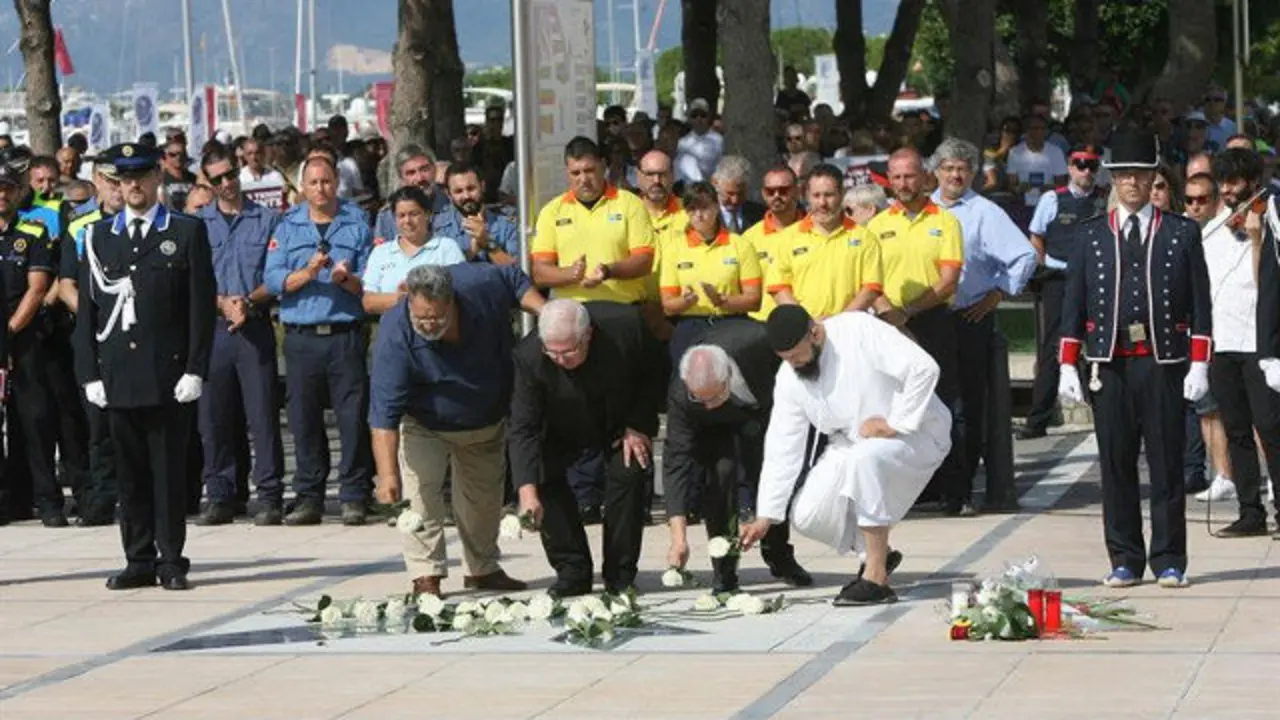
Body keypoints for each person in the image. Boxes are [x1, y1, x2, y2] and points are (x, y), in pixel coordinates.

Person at [1057, 131, 1212, 588]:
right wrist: (1068, 362)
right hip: (1110, 364)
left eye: (1140, 176)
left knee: (1166, 463)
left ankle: (1168, 559)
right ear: (1113, 181)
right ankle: (1124, 557)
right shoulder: (1090, 236)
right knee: (1117, 464)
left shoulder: (1181, 233)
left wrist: (1200, 362)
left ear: (1153, 180)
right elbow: (1073, 305)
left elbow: (1201, 304)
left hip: (1162, 363)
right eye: (1123, 176)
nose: (1131, 184)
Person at [73, 143, 216, 591]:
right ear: (116, 184)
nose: (133, 186)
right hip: (119, 376)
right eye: (124, 179)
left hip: (168, 376)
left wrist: (196, 367)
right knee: (129, 475)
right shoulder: (99, 237)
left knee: (168, 474)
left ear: (157, 179)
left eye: (142, 177)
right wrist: (90, 374)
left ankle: (171, 558)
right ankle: (137, 558)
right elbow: (88, 315)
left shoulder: (185, 231)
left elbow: (198, 308)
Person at [740, 305, 952, 605]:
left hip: (916, 432)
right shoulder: (789, 377)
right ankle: (878, 552)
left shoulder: (858, 329)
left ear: (814, 332)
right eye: (785, 359)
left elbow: (923, 368)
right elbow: (783, 445)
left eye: (795, 356)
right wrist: (766, 516)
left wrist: (896, 422)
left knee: (865, 459)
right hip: (849, 443)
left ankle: (876, 578)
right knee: (807, 515)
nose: (793, 364)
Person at [371, 263, 544, 597]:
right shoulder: (396, 331)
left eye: (436, 317)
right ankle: (426, 576)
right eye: (421, 317)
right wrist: (387, 474)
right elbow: (383, 415)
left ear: (451, 302)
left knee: (483, 502)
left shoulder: (481, 286)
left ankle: (483, 569)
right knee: (422, 497)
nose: (428, 324)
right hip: (425, 423)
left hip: (484, 418)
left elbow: (513, 277)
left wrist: (543, 311)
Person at [509, 299, 658, 597]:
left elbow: (653, 377)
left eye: (569, 351)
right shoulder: (529, 356)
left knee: (629, 470)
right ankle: (572, 571)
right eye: (553, 352)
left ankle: (620, 575)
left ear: (587, 334)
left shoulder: (627, 327)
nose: (560, 359)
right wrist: (526, 492)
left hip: (618, 419)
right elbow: (523, 427)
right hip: (560, 425)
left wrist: (637, 426)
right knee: (540, 477)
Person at [263, 155, 374, 526]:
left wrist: (348, 279)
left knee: (352, 418)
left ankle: (355, 494)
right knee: (303, 418)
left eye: (327, 182)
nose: (321, 189)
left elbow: (370, 280)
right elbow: (275, 280)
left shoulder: (356, 223)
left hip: (344, 334)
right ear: (303, 188)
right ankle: (309, 496)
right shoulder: (288, 226)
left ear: (336, 183)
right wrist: (307, 273)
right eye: (313, 183)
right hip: (302, 337)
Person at [930, 138, 1037, 513]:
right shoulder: (922, 210)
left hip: (967, 318)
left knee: (966, 406)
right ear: (936, 171)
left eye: (962, 169)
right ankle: (933, 485)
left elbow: (1024, 255)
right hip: (924, 318)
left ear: (973, 173)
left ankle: (958, 489)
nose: (955, 175)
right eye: (948, 168)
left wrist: (998, 293)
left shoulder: (984, 212)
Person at [664, 330, 812, 592]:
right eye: (700, 398)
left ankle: (780, 556)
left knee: (770, 475)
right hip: (713, 429)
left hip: (763, 408)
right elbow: (677, 462)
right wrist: (679, 539)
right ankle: (724, 571)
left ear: (727, 377)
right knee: (719, 477)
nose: (708, 404)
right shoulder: (682, 393)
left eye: (713, 396)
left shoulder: (758, 344)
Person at [868, 148, 966, 513]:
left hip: (933, 320)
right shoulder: (877, 226)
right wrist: (890, 316)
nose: (903, 184)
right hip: (889, 325)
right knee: (895, 408)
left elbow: (948, 281)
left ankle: (956, 491)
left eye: (909, 176)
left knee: (946, 405)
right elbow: (869, 281)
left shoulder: (945, 221)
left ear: (925, 177)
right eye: (896, 177)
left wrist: (908, 311)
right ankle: (909, 491)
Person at [193, 146, 285, 526]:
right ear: (207, 183)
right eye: (217, 179)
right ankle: (220, 493)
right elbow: (192, 279)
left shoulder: (267, 221)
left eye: (230, 174)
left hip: (254, 325)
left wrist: (247, 301)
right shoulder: (197, 224)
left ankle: (269, 494)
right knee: (213, 417)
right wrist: (221, 303)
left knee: (261, 415)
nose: (227, 183)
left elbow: (277, 274)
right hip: (214, 329)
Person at [1190, 168, 1279, 537]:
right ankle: (1250, 511)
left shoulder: (1269, 219)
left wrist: (1258, 239)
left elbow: (1267, 283)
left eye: (1235, 184)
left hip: (1258, 345)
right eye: (1223, 186)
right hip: (1222, 343)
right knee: (1236, 429)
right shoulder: (1211, 233)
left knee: (1271, 428)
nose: (1229, 193)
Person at [1021, 144, 1109, 440]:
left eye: (1091, 166)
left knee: (1099, 345)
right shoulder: (1052, 198)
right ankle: (1038, 420)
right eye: (1080, 164)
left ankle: (1106, 415)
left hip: (1094, 279)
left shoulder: (1104, 199)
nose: (1086, 171)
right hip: (1058, 278)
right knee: (1052, 348)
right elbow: (1037, 236)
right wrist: (1041, 268)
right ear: (1069, 168)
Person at [57, 149, 124, 527]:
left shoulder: (148, 223)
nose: (118, 189)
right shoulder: (79, 228)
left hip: (135, 337)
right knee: (96, 425)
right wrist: (95, 319)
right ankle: (101, 498)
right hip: (94, 335)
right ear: (97, 181)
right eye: (111, 181)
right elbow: (65, 284)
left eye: (123, 181)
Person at [0, 164, 55, 524]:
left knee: (34, 421)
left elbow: (37, 289)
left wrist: (7, 333)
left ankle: (48, 501)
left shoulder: (33, 231)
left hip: (24, 338)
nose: (1, 195)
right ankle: (9, 500)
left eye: (7, 188)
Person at [658, 182, 762, 364]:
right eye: (692, 209)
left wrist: (723, 301)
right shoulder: (674, 249)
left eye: (704, 207)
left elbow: (754, 300)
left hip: (731, 323)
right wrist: (686, 301)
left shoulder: (740, 245)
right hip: (690, 325)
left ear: (716, 207)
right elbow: (667, 305)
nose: (699, 215)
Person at [767, 163, 881, 320]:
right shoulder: (787, 238)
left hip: (850, 328)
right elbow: (779, 288)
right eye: (816, 195)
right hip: (805, 332)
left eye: (829, 195)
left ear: (842, 194)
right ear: (806, 196)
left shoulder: (865, 238)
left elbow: (871, 288)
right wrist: (807, 322)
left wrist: (840, 322)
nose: (822, 203)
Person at [362, 186, 466, 315]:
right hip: (394, 331)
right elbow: (368, 302)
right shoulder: (381, 253)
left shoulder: (447, 248)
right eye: (401, 215)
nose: (407, 221)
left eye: (414, 214)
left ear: (427, 214)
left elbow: (461, 293)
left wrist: (415, 297)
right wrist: (400, 298)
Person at [742, 166, 804, 324]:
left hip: (806, 320)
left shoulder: (815, 232)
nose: (776, 196)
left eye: (783, 190)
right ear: (763, 194)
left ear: (797, 191)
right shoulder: (748, 239)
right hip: (760, 322)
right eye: (770, 191)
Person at [372, 145, 453, 250]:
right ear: (401, 178)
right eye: (411, 173)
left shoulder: (452, 204)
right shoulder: (387, 216)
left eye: (424, 169)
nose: (419, 178)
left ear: (434, 170)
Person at [437, 162, 519, 264]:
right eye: (459, 191)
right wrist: (471, 252)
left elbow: (517, 272)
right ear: (448, 194)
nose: (466, 196)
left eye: (471, 188)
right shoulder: (438, 227)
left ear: (482, 186)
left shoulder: (507, 226)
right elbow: (439, 274)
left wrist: (487, 242)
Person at [1007, 114, 1069, 207]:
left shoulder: (1056, 152)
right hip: (1022, 204)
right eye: (1034, 128)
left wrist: (1049, 188)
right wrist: (1020, 188)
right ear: (1027, 131)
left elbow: (1062, 184)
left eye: (1042, 128)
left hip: (1049, 203)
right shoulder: (1015, 152)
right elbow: (1011, 185)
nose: (1038, 132)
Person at [675, 98, 723, 184]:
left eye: (703, 115)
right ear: (689, 118)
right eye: (694, 115)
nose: (698, 118)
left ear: (709, 117)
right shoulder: (682, 142)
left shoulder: (719, 140)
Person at [711, 156, 764, 234]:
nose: (735, 200)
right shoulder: (703, 216)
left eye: (741, 193)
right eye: (730, 193)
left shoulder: (761, 214)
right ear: (715, 183)